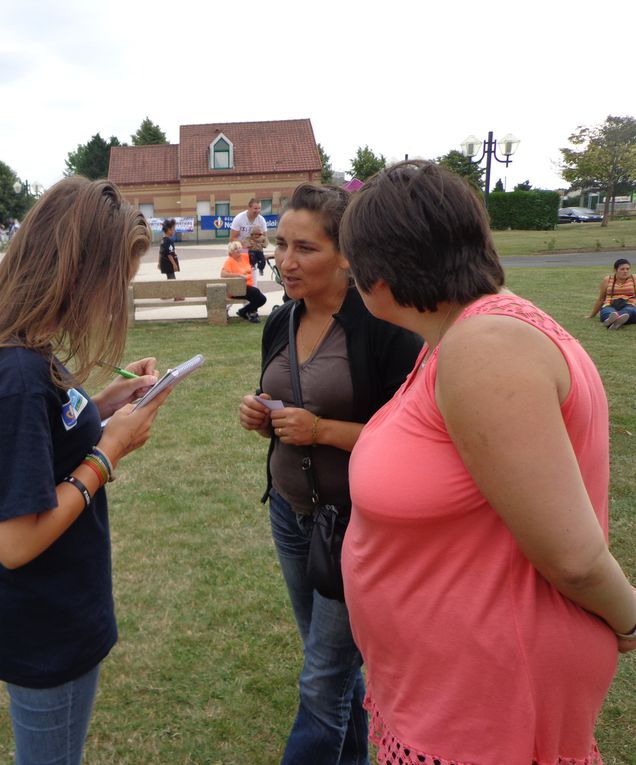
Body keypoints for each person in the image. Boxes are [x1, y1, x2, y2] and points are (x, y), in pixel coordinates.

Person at [338, 160, 636, 764]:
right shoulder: (461, 338)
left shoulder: (485, 347)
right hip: (456, 686)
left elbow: (574, 559)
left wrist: (629, 620)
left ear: (380, 276)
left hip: (488, 692)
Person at [0, 177, 171, 765]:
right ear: (81, 273)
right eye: (113, 283)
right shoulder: (16, 371)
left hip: (32, 612)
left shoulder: (5, 340)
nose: (113, 299)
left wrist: (103, 406)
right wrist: (108, 453)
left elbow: (30, 442)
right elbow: (16, 541)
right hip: (43, 618)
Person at [238, 184, 421, 765]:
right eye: (281, 244)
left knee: (321, 680)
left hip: (356, 527)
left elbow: (413, 443)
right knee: (331, 665)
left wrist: (320, 431)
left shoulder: (384, 330)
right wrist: (262, 413)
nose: (285, 261)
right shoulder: (281, 319)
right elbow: (285, 394)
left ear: (344, 255)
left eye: (305, 249)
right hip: (291, 516)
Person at [222, 240, 266, 322]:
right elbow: (223, 274)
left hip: (247, 287)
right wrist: (239, 275)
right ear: (231, 252)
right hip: (236, 289)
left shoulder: (244, 256)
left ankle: (244, 311)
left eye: (239, 248)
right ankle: (249, 313)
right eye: (235, 249)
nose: (238, 250)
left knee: (262, 299)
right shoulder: (229, 261)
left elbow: (255, 254)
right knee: (256, 292)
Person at [589, 257, 635, 329]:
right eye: (622, 269)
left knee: (630, 310)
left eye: (627, 269)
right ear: (615, 270)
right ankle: (614, 320)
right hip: (610, 304)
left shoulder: (634, 278)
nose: (625, 271)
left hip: (629, 305)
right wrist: (592, 315)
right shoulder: (608, 279)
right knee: (608, 311)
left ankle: (611, 321)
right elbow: (601, 298)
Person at [231, 198, 268, 275]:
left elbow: (264, 237)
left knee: (252, 275)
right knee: (243, 273)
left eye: (259, 208)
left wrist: (260, 245)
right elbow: (232, 238)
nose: (257, 211)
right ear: (249, 208)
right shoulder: (239, 218)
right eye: (255, 208)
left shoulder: (261, 220)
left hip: (255, 249)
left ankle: (258, 270)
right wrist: (244, 245)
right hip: (242, 248)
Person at [158, 219, 182, 287]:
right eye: (173, 229)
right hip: (168, 263)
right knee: (172, 279)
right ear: (169, 230)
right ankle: (176, 296)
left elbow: (160, 252)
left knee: (169, 278)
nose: (174, 231)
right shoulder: (169, 240)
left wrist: (159, 263)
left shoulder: (163, 240)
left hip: (164, 262)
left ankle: (166, 295)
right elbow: (169, 254)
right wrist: (174, 264)